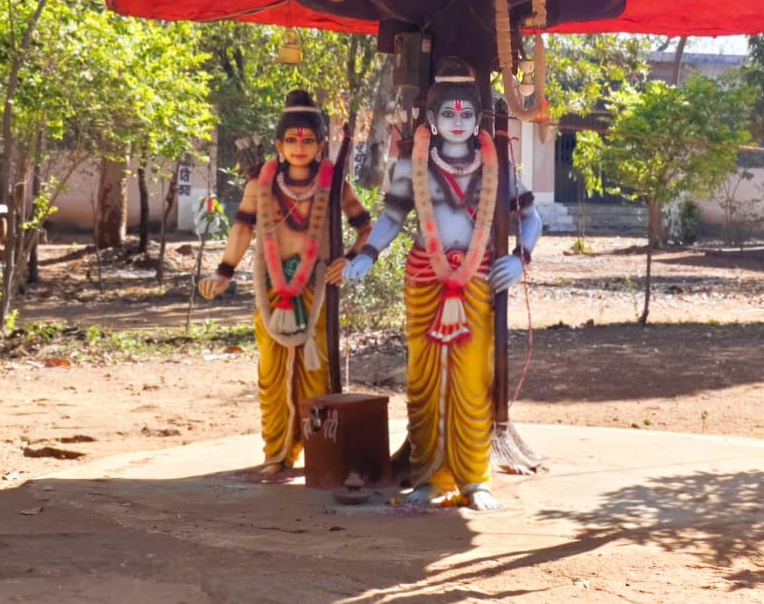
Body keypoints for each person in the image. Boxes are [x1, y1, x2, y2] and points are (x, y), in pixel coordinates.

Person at [344, 58, 541, 510]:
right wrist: (367, 254)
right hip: (425, 280)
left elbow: (533, 218)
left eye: (466, 114)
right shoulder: (412, 166)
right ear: (431, 120)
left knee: (473, 378)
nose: (457, 121)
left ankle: (474, 478)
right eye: (448, 113)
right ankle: (429, 474)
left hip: (477, 280)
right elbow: (392, 218)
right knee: (425, 379)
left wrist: (520, 258)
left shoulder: (498, 164)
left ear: (477, 121)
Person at [199, 90, 372, 475]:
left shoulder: (334, 184)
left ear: (321, 145)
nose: (299, 146)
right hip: (271, 290)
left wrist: (351, 260)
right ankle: (277, 454)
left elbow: (365, 228)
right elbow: (242, 232)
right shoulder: (261, 184)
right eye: (291, 140)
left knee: (317, 372)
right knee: (271, 373)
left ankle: (320, 453)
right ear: (278, 144)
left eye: (308, 140)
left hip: (318, 289)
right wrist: (223, 271)